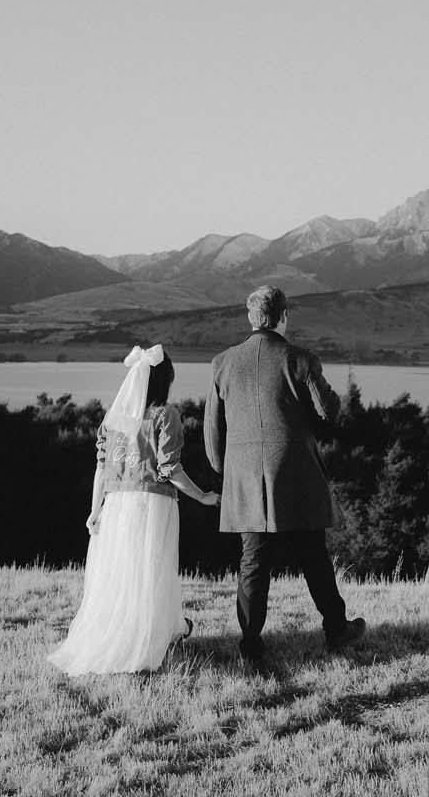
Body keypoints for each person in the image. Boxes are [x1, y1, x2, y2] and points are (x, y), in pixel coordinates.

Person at [204, 285, 365, 665]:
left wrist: (224, 473)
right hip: (296, 475)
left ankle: (250, 644)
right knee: (313, 555)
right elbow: (330, 411)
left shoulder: (222, 363)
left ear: (251, 318)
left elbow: (212, 433)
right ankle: (337, 629)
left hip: (243, 477)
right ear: (284, 317)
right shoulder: (300, 359)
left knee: (253, 561)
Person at [49, 345, 220, 675]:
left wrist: (95, 509)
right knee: (152, 571)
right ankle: (152, 638)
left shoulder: (114, 421)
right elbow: (170, 470)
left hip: (115, 505)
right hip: (152, 504)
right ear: (164, 381)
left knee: (122, 573)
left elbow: (102, 466)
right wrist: (202, 497)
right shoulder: (164, 415)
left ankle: (141, 634)